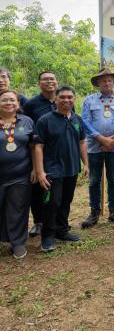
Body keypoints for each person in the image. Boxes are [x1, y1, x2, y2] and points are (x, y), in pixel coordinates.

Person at [34, 86, 89, 252]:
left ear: (74, 99)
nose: (67, 100)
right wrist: (40, 171)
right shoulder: (45, 120)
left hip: (72, 169)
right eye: (63, 97)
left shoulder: (77, 120)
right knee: (52, 203)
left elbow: (82, 143)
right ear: (56, 99)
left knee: (66, 201)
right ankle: (48, 236)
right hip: (52, 170)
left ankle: (62, 230)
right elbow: (38, 146)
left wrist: (85, 163)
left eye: (70, 97)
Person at [81, 69, 114, 228]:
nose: (107, 83)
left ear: (113, 82)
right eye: (103, 81)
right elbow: (85, 122)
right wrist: (101, 138)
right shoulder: (89, 100)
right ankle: (94, 212)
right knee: (94, 180)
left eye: (109, 80)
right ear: (98, 83)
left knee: (113, 178)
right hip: (95, 147)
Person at [23, 71, 58, 238]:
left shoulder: (62, 99)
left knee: (56, 188)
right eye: (45, 79)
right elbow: (27, 131)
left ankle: (56, 220)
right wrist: (33, 164)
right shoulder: (31, 104)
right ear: (39, 84)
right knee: (37, 187)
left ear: (56, 82)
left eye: (52, 79)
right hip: (37, 151)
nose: (49, 82)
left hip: (57, 152)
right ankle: (38, 222)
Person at [0, 90, 34, 259]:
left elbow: (34, 147)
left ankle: (18, 242)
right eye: (4, 100)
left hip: (21, 174)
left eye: (12, 100)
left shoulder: (26, 122)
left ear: (18, 104)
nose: (8, 103)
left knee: (18, 208)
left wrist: (36, 169)